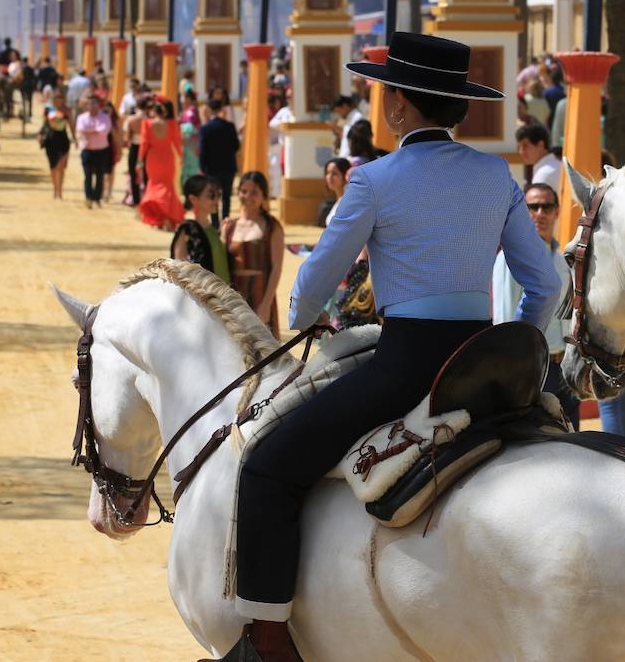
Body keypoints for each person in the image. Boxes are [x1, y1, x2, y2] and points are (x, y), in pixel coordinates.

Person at [227, 34, 560, 662]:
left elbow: (315, 279)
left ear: (402, 106)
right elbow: (544, 282)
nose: (382, 103)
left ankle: (266, 642)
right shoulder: (497, 173)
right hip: (486, 365)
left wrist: (305, 319)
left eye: (386, 94)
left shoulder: (374, 178)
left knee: (266, 466)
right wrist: (520, 337)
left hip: (404, 368)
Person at [492, 182, 581, 430]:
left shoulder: (562, 258)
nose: (540, 213)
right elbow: (506, 321)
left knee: (574, 450)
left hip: (565, 367)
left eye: (546, 206)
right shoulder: (510, 259)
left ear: (556, 211)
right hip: (533, 371)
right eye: (533, 206)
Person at [222, 171, 286, 334]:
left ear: (263, 196)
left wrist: (266, 304)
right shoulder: (228, 226)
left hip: (260, 294)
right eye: (244, 191)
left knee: (263, 352)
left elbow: (276, 268)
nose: (248, 196)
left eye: (254, 192)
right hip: (233, 296)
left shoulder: (272, 227)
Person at [171, 174, 232, 284]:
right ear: (193, 199)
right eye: (211, 195)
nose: (217, 200)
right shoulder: (187, 230)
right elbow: (179, 271)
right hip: (203, 297)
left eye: (218, 195)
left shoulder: (211, 229)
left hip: (222, 297)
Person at [138, 99, 185, 230]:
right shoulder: (171, 124)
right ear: (164, 112)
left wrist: (140, 160)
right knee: (168, 186)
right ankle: (167, 217)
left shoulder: (147, 123)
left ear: (154, 111)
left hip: (153, 159)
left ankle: (158, 217)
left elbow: (144, 144)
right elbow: (177, 142)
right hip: (167, 158)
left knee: (153, 184)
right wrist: (181, 157)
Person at [199, 100, 241, 218]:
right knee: (226, 196)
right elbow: (237, 146)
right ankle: (226, 220)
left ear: (209, 110)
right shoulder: (230, 126)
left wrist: (202, 167)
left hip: (212, 168)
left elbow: (203, 151)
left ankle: (215, 223)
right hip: (228, 166)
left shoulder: (205, 128)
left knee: (213, 196)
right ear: (222, 109)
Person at [75, 93, 113, 208]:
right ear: (87, 106)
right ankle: (88, 198)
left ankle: (97, 198)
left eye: (94, 103)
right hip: (87, 150)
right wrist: (94, 131)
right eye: (90, 103)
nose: (92, 106)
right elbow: (81, 130)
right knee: (88, 176)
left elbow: (104, 130)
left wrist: (89, 131)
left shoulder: (105, 117)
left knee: (100, 176)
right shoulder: (82, 117)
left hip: (101, 150)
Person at [40, 91, 74, 200]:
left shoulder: (67, 110)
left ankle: (60, 190)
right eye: (56, 97)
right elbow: (44, 124)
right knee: (53, 167)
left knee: (61, 167)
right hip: (51, 139)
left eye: (60, 97)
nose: (58, 99)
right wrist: (40, 135)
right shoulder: (48, 109)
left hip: (63, 139)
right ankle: (55, 188)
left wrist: (75, 138)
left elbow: (71, 125)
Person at [515, 123, 561, 193]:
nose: (521, 152)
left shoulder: (543, 174)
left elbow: (539, 203)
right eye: (519, 147)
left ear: (540, 145)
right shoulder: (556, 163)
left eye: (525, 146)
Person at [317, 157, 351, 227]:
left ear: (345, 176)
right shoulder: (341, 200)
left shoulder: (349, 202)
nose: (329, 177)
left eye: (334, 173)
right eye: (328, 173)